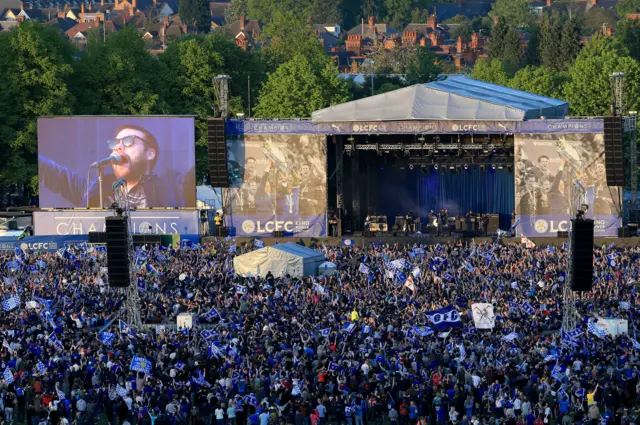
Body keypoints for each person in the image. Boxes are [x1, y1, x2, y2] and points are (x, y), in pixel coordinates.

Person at [38, 124, 195, 208]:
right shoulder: (95, 190)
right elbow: (48, 170)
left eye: (128, 141)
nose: (118, 147)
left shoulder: (175, 186)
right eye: (115, 143)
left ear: (150, 153)